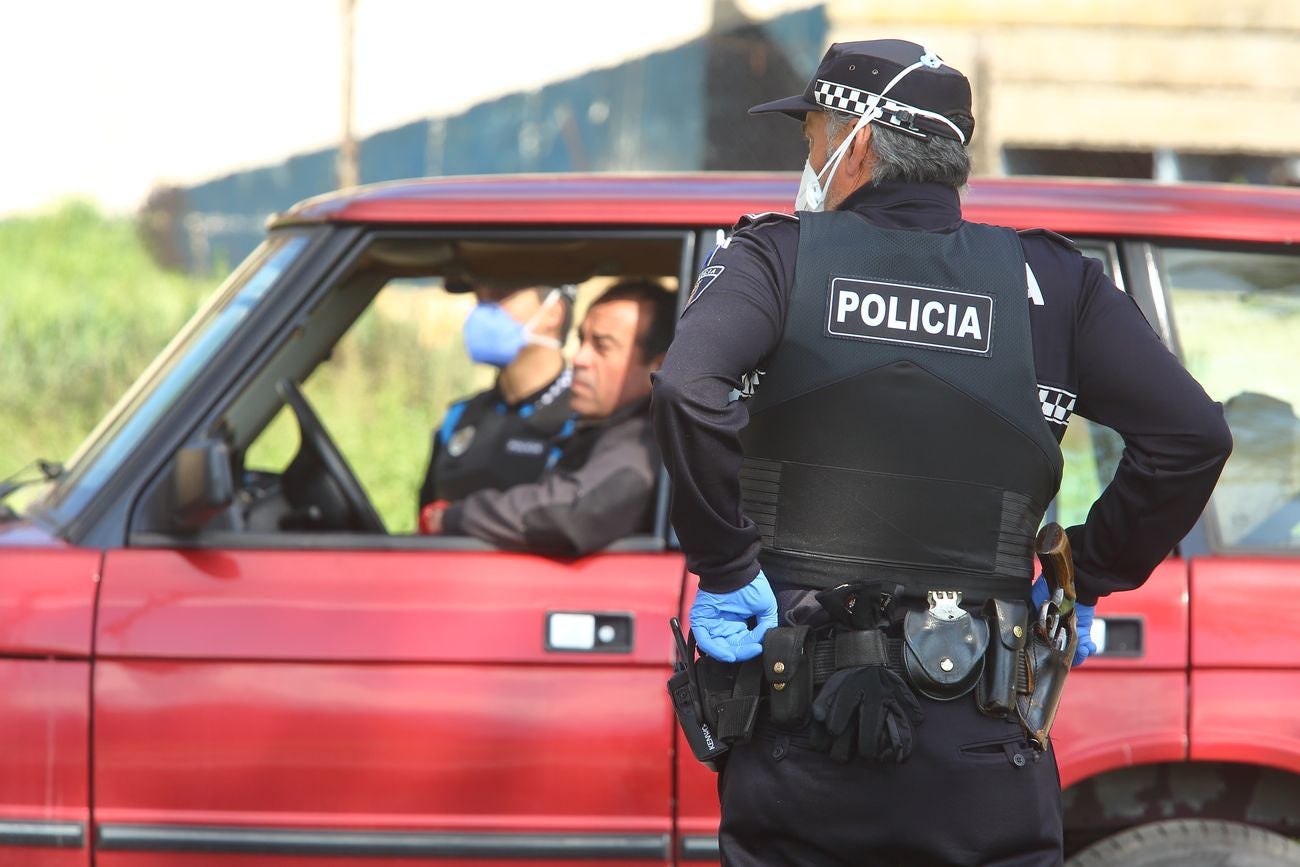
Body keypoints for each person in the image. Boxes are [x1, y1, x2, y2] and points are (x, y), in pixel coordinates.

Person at [651, 39, 1232, 866]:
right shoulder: (1054, 281)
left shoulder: (776, 257)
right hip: (986, 741)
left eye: (812, 135)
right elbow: (1193, 438)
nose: (806, 157)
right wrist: (1085, 578)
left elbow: (685, 388)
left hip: (801, 741)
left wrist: (728, 566)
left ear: (857, 141)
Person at [422, 280, 675, 556]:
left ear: (658, 367)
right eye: (582, 340)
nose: (579, 358)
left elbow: (569, 514)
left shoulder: (644, 443)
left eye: (602, 346)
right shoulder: (598, 427)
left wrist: (452, 518)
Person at [417, 281, 576, 516]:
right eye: (480, 298)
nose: (483, 311)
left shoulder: (581, 421)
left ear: (553, 312)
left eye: (500, 295)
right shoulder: (459, 416)